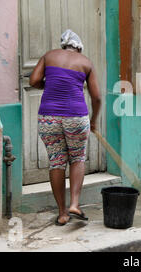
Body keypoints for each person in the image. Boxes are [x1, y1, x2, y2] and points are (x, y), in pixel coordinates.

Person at [30, 29, 102, 226]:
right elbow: (96, 97)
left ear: (64, 45)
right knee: (77, 158)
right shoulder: (85, 62)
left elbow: (34, 80)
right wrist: (94, 120)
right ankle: (75, 204)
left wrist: (50, 86)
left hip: (48, 118)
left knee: (57, 161)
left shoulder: (49, 56)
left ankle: (62, 213)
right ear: (78, 48)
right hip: (76, 117)